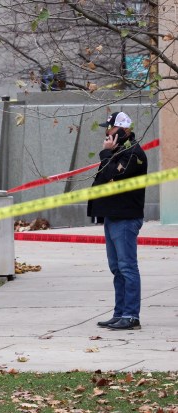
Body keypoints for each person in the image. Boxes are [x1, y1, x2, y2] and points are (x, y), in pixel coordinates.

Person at [87, 111, 148, 330]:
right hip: (113, 216)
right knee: (117, 268)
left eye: (110, 128)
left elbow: (113, 176)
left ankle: (131, 316)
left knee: (127, 267)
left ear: (122, 130)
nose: (106, 132)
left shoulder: (133, 153)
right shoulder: (118, 152)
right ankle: (120, 313)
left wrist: (105, 154)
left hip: (126, 218)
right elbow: (104, 178)